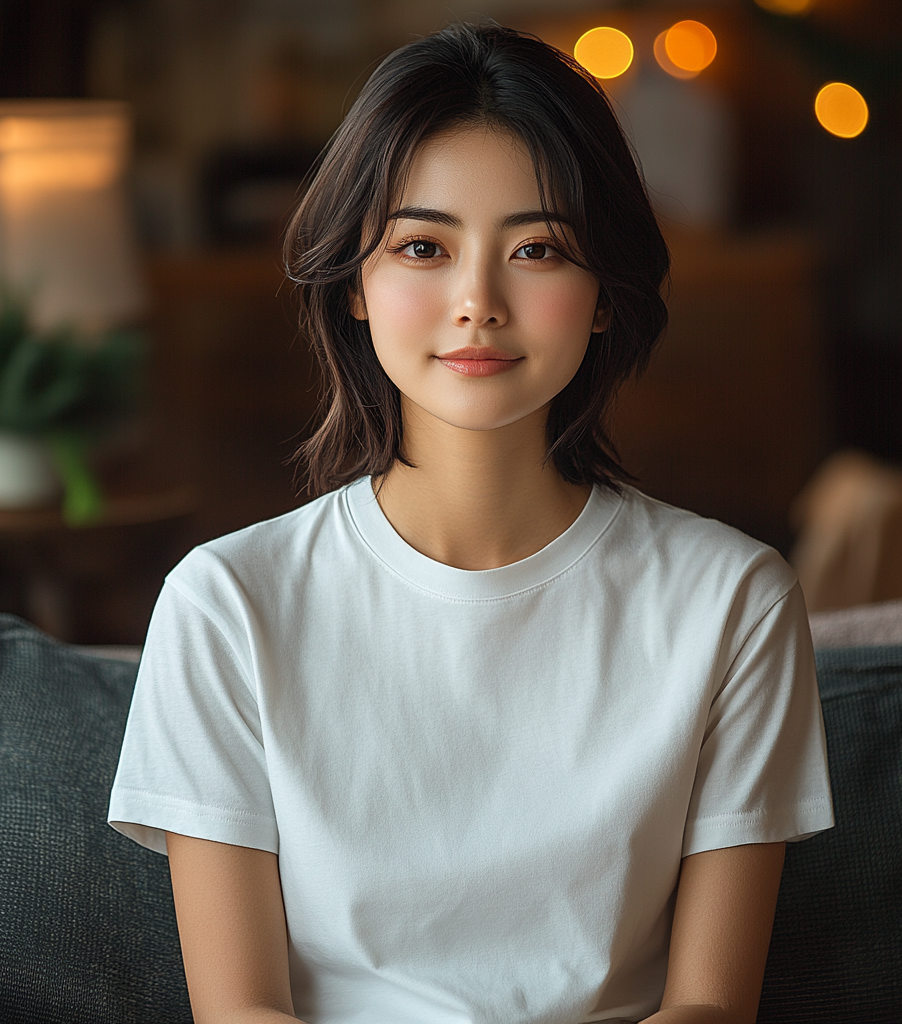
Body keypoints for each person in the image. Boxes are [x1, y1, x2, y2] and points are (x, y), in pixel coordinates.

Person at [108, 23, 833, 1024]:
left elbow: (707, 1007)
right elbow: (240, 1014)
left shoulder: (732, 603)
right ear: (355, 285)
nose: (477, 301)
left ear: (600, 299)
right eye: (422, 247)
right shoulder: (227, 603)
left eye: (536, 249)